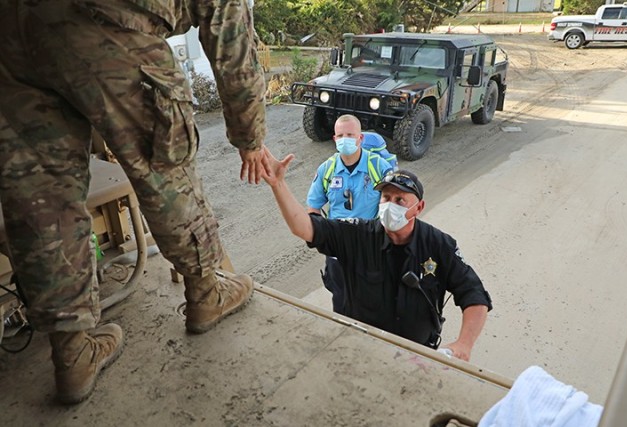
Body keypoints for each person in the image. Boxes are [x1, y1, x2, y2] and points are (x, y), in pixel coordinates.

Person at [0, 0, 268, 404]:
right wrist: (250, 139)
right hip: (103, 20)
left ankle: (71, 354)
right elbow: (232, 44)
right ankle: (206, 292)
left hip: (11, 27)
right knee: (163, 163)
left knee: (40, 192)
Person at [262, 150, 492, 361]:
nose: (390, 205)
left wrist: (463, 344)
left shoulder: (439, 245)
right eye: (386, 198)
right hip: (357, 350)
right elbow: (304, 227)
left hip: (415, 356)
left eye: (400, 200)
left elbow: (474, 294)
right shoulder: (356, 234)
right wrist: (278, 184)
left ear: (419, 208)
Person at [307, 115, 392, 314]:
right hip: (339, 250)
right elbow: (313, 208)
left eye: (350, 135)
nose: (345, 139)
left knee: (375, 298)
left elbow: (394, 203)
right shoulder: (326, 169)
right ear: (335, 139)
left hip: (370, 245)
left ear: (360, 138)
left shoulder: (378, 167)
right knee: (342, 301)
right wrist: (324, 238)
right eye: (341, 135)